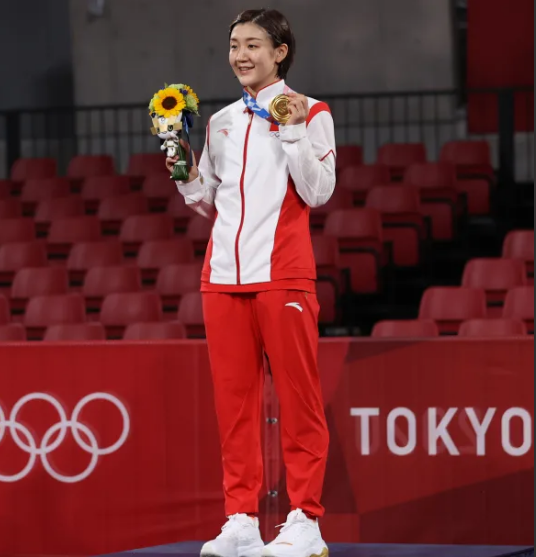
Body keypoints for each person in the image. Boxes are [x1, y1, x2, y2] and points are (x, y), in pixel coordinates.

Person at [169, 9, 334, 557]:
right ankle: (240, 518)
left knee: (299, 402)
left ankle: (305, 519)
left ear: (280, 51)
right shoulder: (219, 122)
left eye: (253, 45)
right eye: (235, 44)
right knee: (233, 406)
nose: (241, 55)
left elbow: (317, 191)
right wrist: (182, 165)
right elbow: (206, 203)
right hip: (222, 278)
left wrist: (290, 131)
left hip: (283, 275)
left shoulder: (312, 112)